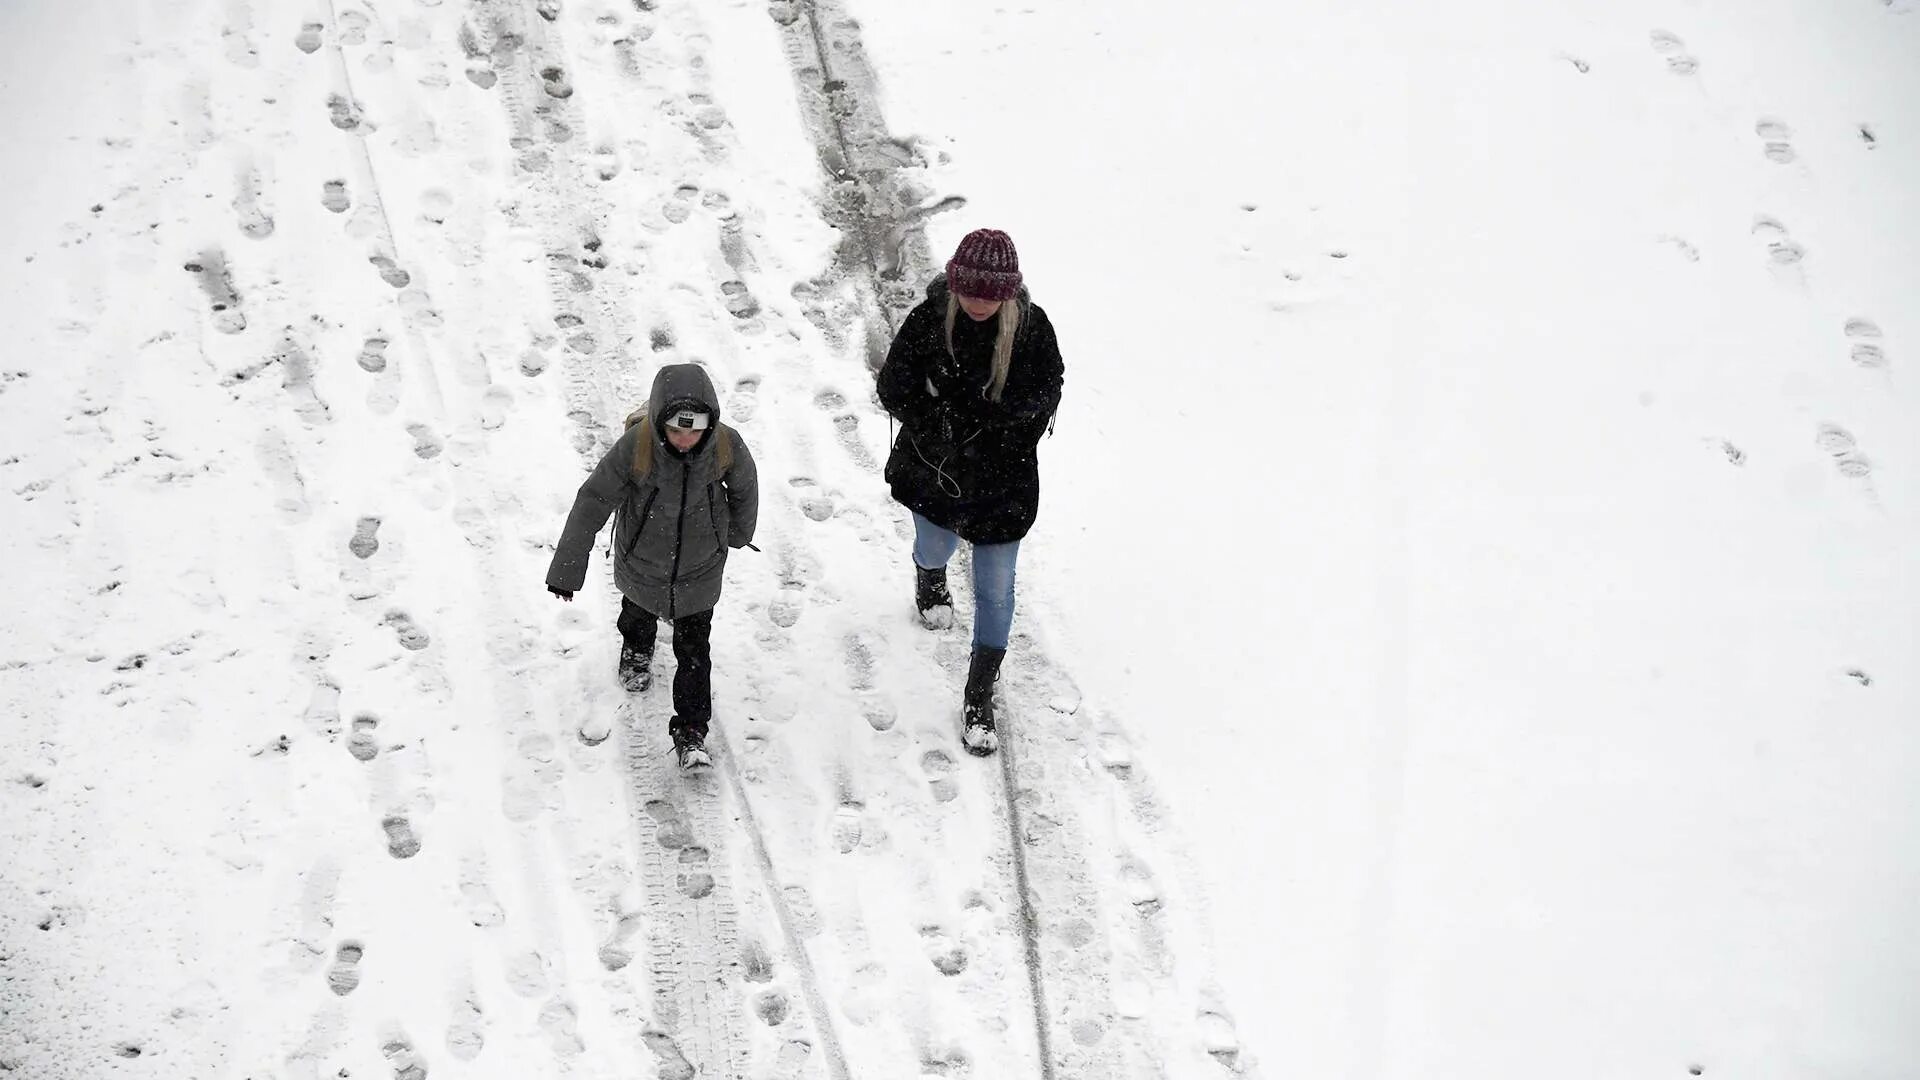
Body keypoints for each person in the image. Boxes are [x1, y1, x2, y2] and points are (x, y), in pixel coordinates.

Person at [877, 228, 1064, 756]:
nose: (981, 302)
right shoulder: (928, 320)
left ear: (1008, 292)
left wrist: (995, 425)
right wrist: (937, 422)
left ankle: (980, 691)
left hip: (1003, 480)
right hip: (937, 472)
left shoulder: (1032, 329)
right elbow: (893, 384)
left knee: (996, 589)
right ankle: (929, 576)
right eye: (972, 291)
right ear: (956, 285)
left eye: (992, 293)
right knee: (936, 546)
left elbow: (1046, 391)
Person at [546, 363, 759, 769]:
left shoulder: (726, 446)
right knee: (638, 613)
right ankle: (637, 648)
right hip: (643, 562)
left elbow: (746, 488)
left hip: (700, 567)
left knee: (695, 651)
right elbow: (592, 501)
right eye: (676, 431)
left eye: (694, 430)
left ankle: (692, 732)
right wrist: (567, 569)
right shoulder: (636, 448)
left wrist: (737, 533)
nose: (684, 440)